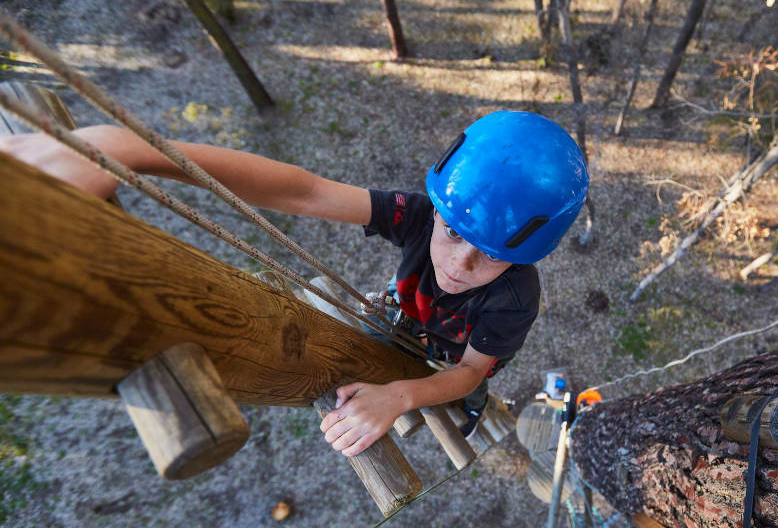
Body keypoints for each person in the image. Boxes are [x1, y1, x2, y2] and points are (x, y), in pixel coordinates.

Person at [0, 110, 589, 457]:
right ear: (436, 211)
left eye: (489, 257)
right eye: (453, 234)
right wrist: (126, 148)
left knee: (462, 391)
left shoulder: (515, 297)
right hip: (407, 315)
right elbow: (303, 191)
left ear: (523, 259)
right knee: (399, 323)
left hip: (457, 353)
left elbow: (465, 373)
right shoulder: (416, 215)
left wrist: (402, 395)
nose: (460, 265)